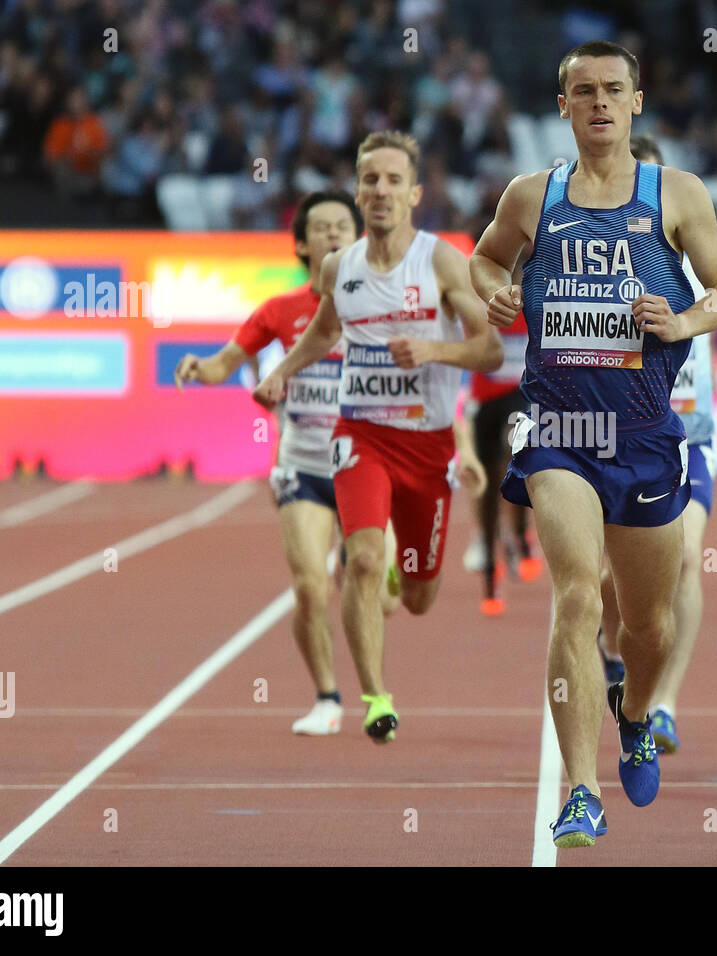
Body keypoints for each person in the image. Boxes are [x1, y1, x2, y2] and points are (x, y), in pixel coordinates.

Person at [469, 41, 717, 847]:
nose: (597, 102)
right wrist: (497, 293)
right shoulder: (532, 195)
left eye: (612, 90)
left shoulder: (677, 194)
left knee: (648, 626)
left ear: (635, 102)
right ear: (563, 106)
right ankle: (581, 791)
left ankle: (634, 712)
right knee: (579, 596)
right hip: (558, 429)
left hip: (648, 436)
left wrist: (683, 320)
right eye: (582, 91)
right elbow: (485, 261)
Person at [255, 131, 501, 743]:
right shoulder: (342, 266)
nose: (380, 191)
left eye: (393, 180)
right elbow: (319, 333)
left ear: (414, 193)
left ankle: (402, 577)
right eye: (370, 180)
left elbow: (490, 349)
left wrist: (433, 349)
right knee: (361, 559)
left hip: (428, 447)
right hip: (360, 435)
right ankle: (374, 697)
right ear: (359, 191)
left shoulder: (440, 260)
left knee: (418, 594)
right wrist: (281, 373)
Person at [175, 190, 401, 737]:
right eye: (320, 227)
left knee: (382, 592)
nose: (331, 235)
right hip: (302, 466)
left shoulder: (388, 300)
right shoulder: (280, 311)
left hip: (368, 464)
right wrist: (200, 368)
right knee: (307, 587)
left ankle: (375, 627)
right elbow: (228, 360)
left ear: (359, 235)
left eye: (340, 226)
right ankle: (328, 697)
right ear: (301, 243)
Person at [595, 135, 717, 756]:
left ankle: (663, 704)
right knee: (616, 576)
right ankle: (614, 653)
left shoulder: (690, 242)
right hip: (617, 435)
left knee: (688, 559)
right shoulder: (596, 255)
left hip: (687, 439)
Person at [463, 260, 542, 617]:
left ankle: (522, 535)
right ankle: (491, 562)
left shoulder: (534, 302)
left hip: (519, 398)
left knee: (514, 455)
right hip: (483, 403)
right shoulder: (477, 305)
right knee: (485, 481)